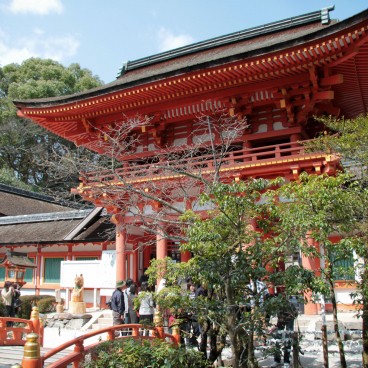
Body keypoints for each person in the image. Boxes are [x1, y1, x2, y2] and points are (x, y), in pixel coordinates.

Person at [271, 295, 298, 367]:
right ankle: (277, 360)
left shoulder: (289, 305)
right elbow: (279, 319)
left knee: (288, 340)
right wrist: (276, 327)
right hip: (281, 321)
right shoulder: (276, 304)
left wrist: (277, 326)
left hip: (289, 320)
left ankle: (286, 361)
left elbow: (295, 314)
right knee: (277, 340)